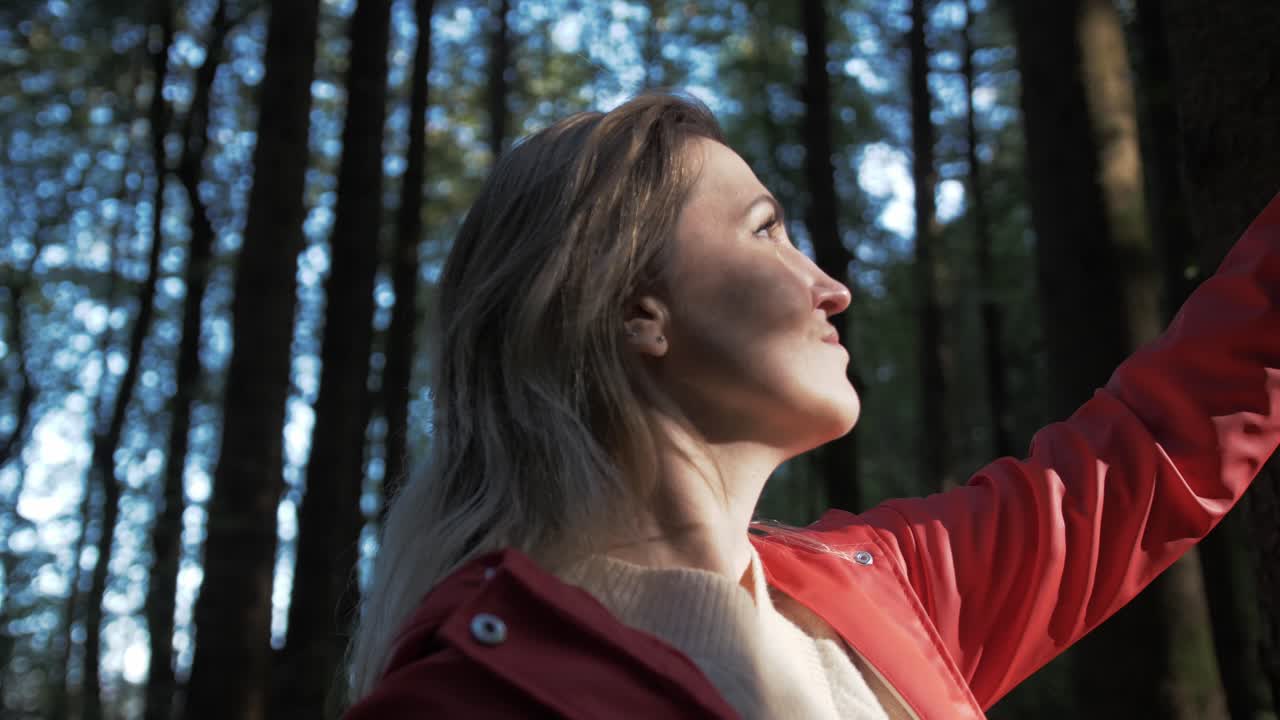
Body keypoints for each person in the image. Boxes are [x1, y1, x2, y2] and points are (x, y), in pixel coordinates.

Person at [343, 93, 1280, 719]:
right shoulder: (471, 698)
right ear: (636, 311)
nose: (831, 287)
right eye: (767, 233)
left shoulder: (887, 591)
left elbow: (1153, 451)